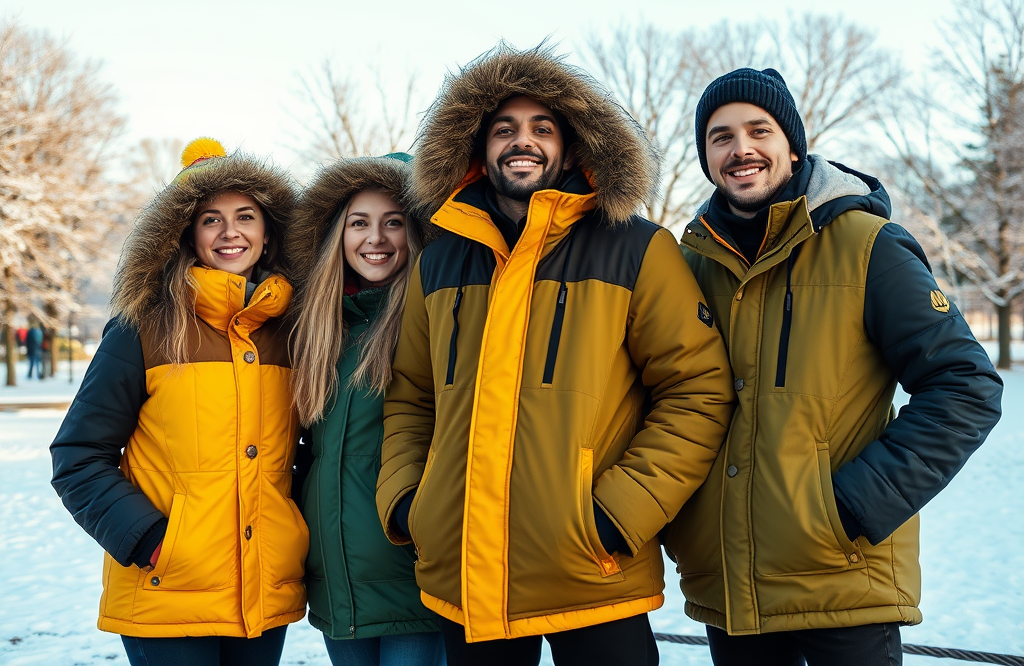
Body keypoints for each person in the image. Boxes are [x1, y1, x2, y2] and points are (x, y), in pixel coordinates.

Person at [375, 44, 736, 666]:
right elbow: (412, 394)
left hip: (592, 570)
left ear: (572, 146)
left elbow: (697, 391)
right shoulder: (438, 261)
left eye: (543, 128)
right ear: (476, 146)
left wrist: (618, 515)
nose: (524, 142)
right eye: (504, 129)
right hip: (466, 573)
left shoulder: (637, 249)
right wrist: (413, 502)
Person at [664, 68, 1004, 666]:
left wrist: (851, 506)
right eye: (720, 137)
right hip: (731, 586)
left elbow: (966, 384)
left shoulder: (868, 244)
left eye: (758, 130)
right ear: (705, 156)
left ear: (791, 146)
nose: (740, 148)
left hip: (842, 583)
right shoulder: (690, 264)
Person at [50, 138, 308, 666]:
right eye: (211, 219)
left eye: (245, 216)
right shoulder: (141, 327)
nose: (230, 231)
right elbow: (78, 456)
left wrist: (291, 531)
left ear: (268, 231)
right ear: (187, 233)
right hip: (167, 591)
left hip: (262, 595)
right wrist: (148, 541)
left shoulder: (294, 331)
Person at [288, 152, 445, 666]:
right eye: (360, 223)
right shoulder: (317, 330)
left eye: (393, 222)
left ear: (415, 232)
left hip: (414, 575)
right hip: (338, 581)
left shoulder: (435, 323)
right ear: (339, 234)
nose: (375, 238)